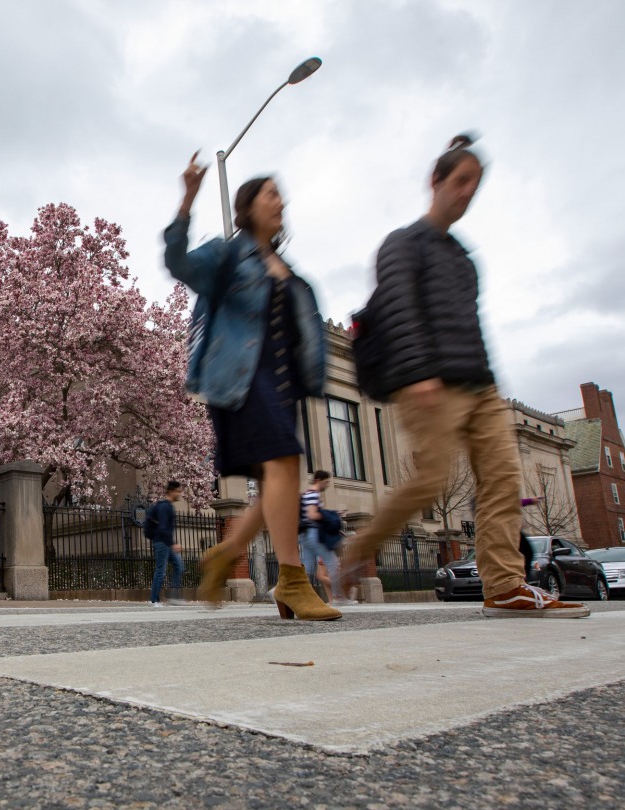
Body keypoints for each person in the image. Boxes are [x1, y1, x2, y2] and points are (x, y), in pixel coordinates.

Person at [339, 134, 589, 619]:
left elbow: (470, 322)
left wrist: (490, 383)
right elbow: (398, 308)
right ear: (436, 181)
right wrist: (419, 374)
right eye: (460, 181)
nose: (467, 193)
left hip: (480, 384)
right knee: (430, 484)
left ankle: (505, 584)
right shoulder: (402, 244)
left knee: (501, 480)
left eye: (475, 185)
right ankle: (357, 549)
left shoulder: (463, 258)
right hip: (430, 383)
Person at [164, 152, 340, 621]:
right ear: (248, 205)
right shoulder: (227, 254)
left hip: (283, 385)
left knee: (280, 480)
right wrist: (188, 199)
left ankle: (229, 552)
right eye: (270, 192)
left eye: (281, 193)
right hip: (240, 378)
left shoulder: (287, 269)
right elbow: (178, 263)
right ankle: (293, 581)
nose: (279, 200)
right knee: (283, 467)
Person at [299, 471, 350, 605]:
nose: (327, 485)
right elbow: (312, 515)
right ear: (318, 480)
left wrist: (331, 512)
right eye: (326, 482)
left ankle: (279, 591)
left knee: (307, 569)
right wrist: (330, 516)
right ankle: (339, 597)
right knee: (332, 563)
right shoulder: (313, 494)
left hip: (304, 534)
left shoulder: (306, 494)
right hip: (314, 534)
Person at [147, 480, 186, 606]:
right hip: (162, 542)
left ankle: (174, 596)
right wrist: (173, 544)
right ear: (171, 491)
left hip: (166, 543)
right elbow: (163, 528)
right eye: (178, 491)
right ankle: (154, 600)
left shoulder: (168, 506)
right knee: (161, 570)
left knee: (179, 566)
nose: (179, 494)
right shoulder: (164, 506)